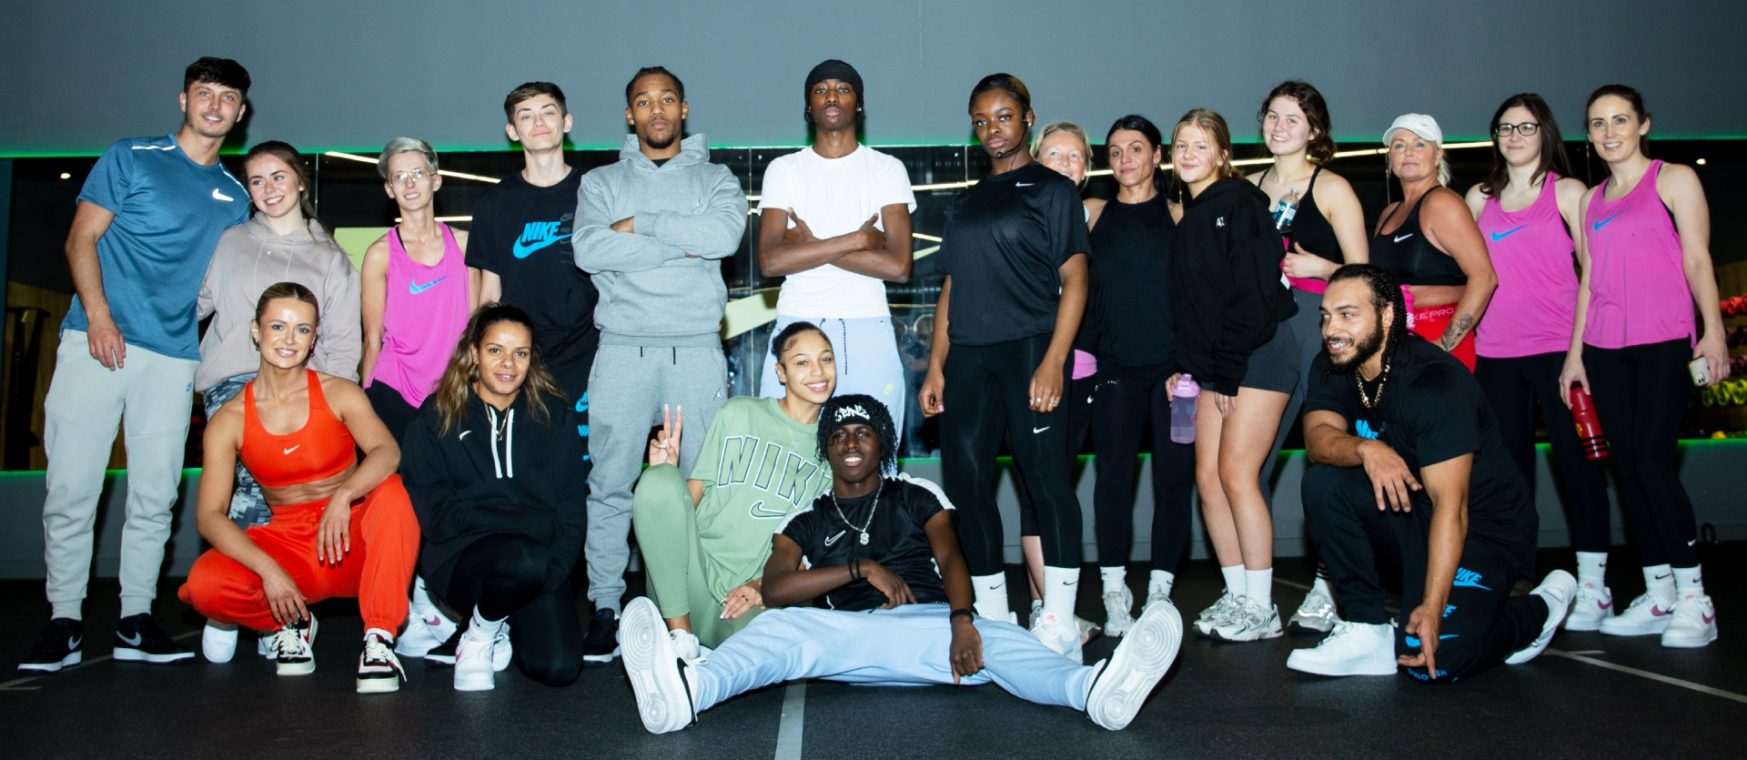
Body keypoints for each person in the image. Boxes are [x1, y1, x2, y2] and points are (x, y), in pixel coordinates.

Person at [619, 396, 1183, 734]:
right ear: (827, 447)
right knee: (779, 630)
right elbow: (778, 586)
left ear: (882, 441)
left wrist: (962, 620)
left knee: (1006, 642)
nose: (850, 443)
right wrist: (859, 569)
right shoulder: (807, 515)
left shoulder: (914, 492)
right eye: (838, 434)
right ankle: (688, 693)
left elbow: (951, 555)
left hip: (934, 631)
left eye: (863, 432)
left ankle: (1096, 691)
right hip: (851, 639)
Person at [22, 57, 254, 674]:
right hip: (96, 341)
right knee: (72, 487)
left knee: (155, 494)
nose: (214, 105)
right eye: (204, 93)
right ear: (183, 99)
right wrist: (100, 318)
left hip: (173, 357)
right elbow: (81, 238)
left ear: (240, 112)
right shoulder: (131, 156)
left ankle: (135, 619)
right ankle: (64, 621)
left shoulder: (234, 198)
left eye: (227, 98)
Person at [1287, 265, 1575, 681]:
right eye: (1326, 316)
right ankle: (1366, 628)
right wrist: (1366, 449)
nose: (1332, 329)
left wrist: (1433, 607)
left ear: (1387, 315)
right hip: (1413, 515)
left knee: (1434, 661)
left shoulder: (1434, 382)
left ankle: (1539, 608)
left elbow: (1451, 506)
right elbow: (1318, 440)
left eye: (1348, 314)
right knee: (1323, 482)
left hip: (1482, 531)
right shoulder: (1332, 365)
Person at [574, 65, 746, 661]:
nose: (656, 110)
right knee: (610, 483)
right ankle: (605, 605)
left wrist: (640, 228)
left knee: (703, 483)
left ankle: (699, 605)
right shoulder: (601, 182)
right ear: (630, 115)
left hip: (696, 348)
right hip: (623, 348)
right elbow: (589, 248)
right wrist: (682, 244)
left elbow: (724, 238)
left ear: (683, 108)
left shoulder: (717, 178)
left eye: (667, 99)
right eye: (644, 102)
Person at [917, 74, 1091, 660]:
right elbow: (952, 286)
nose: (993, 128)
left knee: (1046, 482)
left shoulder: (1052, 191)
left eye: (1004, 116)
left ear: (1027, 118)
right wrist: (936, 365)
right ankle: (994, 615)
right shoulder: (965, 202)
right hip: (968, 355)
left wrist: (1054, 359)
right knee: (966, 485)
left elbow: (1075, 279)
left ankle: (1060, 621)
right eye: (982, 120)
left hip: (1030, 348)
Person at [177, 283, 420, 693]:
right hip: (291, 548)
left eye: (302, 330)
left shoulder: (339, 392)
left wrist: (345, 494)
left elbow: (387, 451)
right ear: (256, 331)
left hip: (351, 538)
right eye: (278, 326)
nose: (289, 339)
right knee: (203, 585)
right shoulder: (229, 419)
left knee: (394, 492)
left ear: (314, 338)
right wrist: (269, 570)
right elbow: (209, 516)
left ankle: (379, 638)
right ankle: (292, 622)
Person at [1560, 84, 1730, 647]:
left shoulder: (1673, 179)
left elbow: (1698, 259)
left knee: (1653, 462)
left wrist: (1713, 331)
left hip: (1663, 339)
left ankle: (1695, 598)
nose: (1609, 132)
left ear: (1643, 124)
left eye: (1620, 120)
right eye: (1598, 123)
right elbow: (1589, 281)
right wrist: (1576, 354)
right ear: (1588, 134)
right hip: (1605, 346)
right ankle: (1659, 594)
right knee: (1629, 467)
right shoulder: (1591, 200)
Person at [193, 140, 363, 664]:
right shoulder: (230, 241)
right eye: (257, 180)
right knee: (238, 497)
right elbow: (196, 304)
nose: (268, 189)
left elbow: (342, 344)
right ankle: (238, 604)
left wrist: (333, 410)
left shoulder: (329, 256)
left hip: (300, 390)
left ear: (300, 181)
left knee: (276, 504)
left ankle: (273, 611)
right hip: (229, 383)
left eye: (278, 176)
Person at [1463, 93, 1613, 632]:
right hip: (1496, 354)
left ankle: (1593, 585)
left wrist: (1577, 353)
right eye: (1505, 128)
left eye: (1525, 127)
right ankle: (1515, 578)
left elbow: (1594, 274)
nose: (1515, 136)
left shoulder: (1568, 192)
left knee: (1578, 467)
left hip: (1558, 351)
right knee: (1508, 477)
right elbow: (1468, 274)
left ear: (1545, 132)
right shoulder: (1479, 198)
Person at [400, 303, 587, 690]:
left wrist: (553, 573)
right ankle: (479, 635)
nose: (508, 364)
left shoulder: (554, 415)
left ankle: (500, 618)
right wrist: (522, 524)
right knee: (522, 555)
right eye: (495, 350)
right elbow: (435, 513)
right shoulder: (437, 416)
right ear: (474, 353)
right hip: (462, 558)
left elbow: (571, 505)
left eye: (520, 353)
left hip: (537, 564)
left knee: (558, 668)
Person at [1166, 109, 1299, 642]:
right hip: (1214, 365)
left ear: (1223, 154)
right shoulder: (1191, 217)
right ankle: (1240, 594)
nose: (1189, 154)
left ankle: (1262, 608)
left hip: (1257, 354)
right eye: (1181, 145)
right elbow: (1193, 307)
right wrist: (1184, 366)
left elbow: (1253, 297)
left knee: (1238, 475)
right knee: (1209, 479)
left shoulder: (1240, 204)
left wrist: (1224, 372)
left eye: (1201, 145)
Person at [1247, 82, 1370, 634]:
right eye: (1272, 116)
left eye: (1292, 118)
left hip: (1320, 332)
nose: (1279, 127)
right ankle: (1250, 593)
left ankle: (1330, 585)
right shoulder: (1250, 187)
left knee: (1329, 461)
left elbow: (1367, 276)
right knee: (1250, 463)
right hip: (1263, 334)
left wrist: (1322, 269)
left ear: (1314, 130)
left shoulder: (1333, 187)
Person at [631, 321, 836, 651]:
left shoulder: (833, 454)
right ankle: (680, 641)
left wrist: (762, 585)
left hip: (746, 599)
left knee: (765, 646)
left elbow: (810, 554)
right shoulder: (739, 412)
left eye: (826, 359)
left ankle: (686, 653)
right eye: (802, 362)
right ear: (781, 372)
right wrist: (667, 483)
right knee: (658, 481)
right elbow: (692, 494)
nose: (817, 371)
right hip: (688, 580)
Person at [756, 60, 914, 440]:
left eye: (843, 89)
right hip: (798, 321)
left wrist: (808, 247)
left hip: (867, 324)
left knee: (874, 454)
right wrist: (856, 240)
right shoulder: (783, 169)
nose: (831, 97)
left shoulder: (887, 169)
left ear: (858, 104)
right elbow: (771, 261)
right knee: (782, 451)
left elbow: (898, 266)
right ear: (808, 105)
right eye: (821, 89)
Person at [1085, 115, 1195, 637]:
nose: (1124, 158)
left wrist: (1188, 367)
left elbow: (1202, 299)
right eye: (1115, 151)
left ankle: (1159, 593)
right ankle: (1114, 591)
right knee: (1113, 479)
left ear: (1157, 155)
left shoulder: (1180, 216)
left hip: (1178, 378)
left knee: (1173, 480)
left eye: (1135, 148)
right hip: (1114, 371)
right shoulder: (1093, 213)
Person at [466, 81, 598, 459]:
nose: (538, 122)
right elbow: (489, 293)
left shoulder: (597, 192)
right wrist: (479, 359)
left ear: (566, 122)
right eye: (526, 116)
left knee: (588, 468)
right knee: (526, 463)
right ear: (512, 131)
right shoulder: (494, 203)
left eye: (548, 112)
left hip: (591, 353)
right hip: (522, 358)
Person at [1020, 120, 1101, 640]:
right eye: (1054, 154)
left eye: (1075, 156)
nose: (1065, 164)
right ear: (1035, 159)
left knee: (1054, 485)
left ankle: (1044, 606)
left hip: (1085, 369)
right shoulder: (1022, 215)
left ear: (1086, 168)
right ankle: (1053, 610)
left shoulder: (1093, 216)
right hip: (1034, 365)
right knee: (1039, 487)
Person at [360, 137, 475, 443]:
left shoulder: (464, 245)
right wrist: (365, 407)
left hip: (454, 388)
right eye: (399, 176)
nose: (409, 183)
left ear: (435, 181)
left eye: (418, 174)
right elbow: (372, 339)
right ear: (389, 188)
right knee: (397, 473)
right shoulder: (379, 254)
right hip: (394, 388)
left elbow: (476, 326)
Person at [1371, 114, 1496, 372]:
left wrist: (1444, 345)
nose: (1408, 152)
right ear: (1390, 157)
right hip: (1394, 337)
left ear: (1438, 156)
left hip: (1437, 334)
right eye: (1399, 145)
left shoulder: (1443, 204)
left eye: (1419, 144)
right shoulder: (1388, 213)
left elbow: (1485, 278)